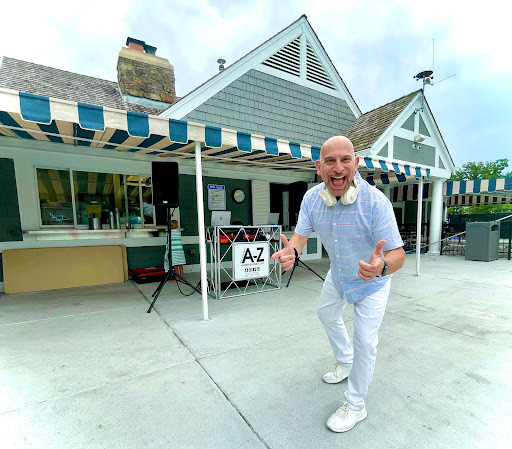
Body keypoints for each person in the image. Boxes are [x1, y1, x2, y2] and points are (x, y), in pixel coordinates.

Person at [272, 136, 405, 433]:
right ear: (319, 167)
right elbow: (299, 237)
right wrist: (292, 251)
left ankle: (356, 405)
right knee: (326, 313)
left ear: (355, 164)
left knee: (365, 341)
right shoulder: (311, 199)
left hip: (372, 281)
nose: (338, 167)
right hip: (339, 273)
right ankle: (345, 361)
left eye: (345, 160)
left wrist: (381, 267)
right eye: (330, 161)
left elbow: (398, 255)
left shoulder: (376, 202)